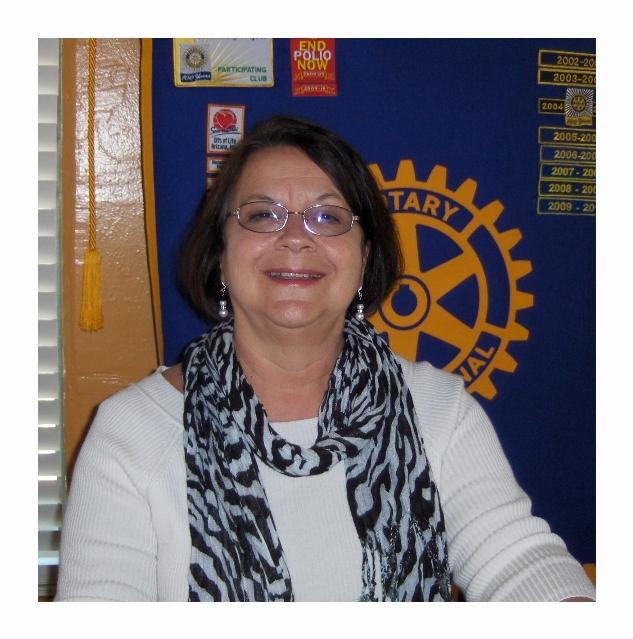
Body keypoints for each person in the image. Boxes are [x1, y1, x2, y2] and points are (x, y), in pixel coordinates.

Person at [56, 115, 595, 602]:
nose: (295, 238)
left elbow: (518, 559)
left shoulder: (439, 409)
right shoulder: (131, 431)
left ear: (364, 256)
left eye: (328, 217)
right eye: (262, 215)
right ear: (220, 253)